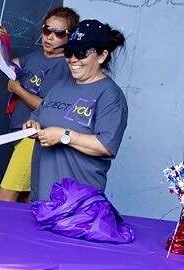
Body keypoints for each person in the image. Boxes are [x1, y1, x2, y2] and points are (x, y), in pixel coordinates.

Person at [24, 19, 127, 207]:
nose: (73, 59)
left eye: (81, 53)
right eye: (69, 52)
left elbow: (106, 146)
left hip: (78, 206)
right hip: (42, 198)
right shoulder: (59, 86)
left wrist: (64, 136)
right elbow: (38, 117)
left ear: (102, 56)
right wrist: (32, 126)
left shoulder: (110, 95)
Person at [0, 7, 79, 203]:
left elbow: (45, 106)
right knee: (26, 198)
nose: (50, 37)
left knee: (4, 195)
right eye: (47, 30)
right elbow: (8, 65)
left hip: (34, 138)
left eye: (58, 33)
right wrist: (2, 41)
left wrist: (18, 89)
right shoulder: (35, 56)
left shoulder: (63, 66)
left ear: (69, 37)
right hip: (21, 134)